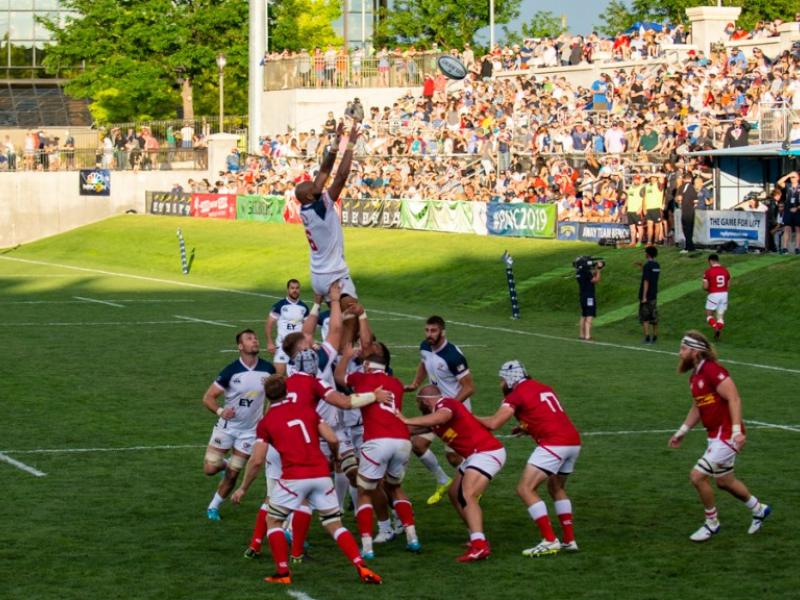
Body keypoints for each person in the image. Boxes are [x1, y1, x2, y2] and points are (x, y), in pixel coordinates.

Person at [231, 375, 382, 585]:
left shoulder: (266, 421)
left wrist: (243, 488)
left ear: (268, 396)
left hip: (294, 478)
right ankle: (361, 566)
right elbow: (332, 438)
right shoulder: (308, 411)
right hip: (320, 475)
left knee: (273, 520)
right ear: (286, 390)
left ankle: (283, 572)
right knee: (334, 524)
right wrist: (335, 455)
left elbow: (256, 460)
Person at [668, 331, 771, 543]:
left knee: (697, 477)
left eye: (684, 349)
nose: (680, 353)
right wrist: (682, 432)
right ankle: (759, 509)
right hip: (715, 435)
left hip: (727, 435)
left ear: (696, 352)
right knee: (725, 481)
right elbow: (699, 406)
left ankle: (711, 523)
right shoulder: (695, 376)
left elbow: (734, 397)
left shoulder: (713, 370)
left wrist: (736, 431)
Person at [476, 361, 581, 557]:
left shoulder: (516, 394)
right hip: (573, 442)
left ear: (510, 378)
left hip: (554, 443)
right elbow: (547, 413)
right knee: (556, 488)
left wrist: (465, 415)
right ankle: (569, 540)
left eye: (502, 380)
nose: (501, 384)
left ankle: (550, 540)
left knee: (525, 489)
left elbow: (493, 423)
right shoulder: (543, 387)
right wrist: (527, 426)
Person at [397, 385, 506, 562]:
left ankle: (480, 546)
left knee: (468, 494)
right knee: (454, 493)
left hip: (486, 452)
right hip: (475, 456)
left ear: (425, 400)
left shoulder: (446, 404)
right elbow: (412, 430)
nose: (418, 406)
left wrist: (407, 419)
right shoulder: (435, 418)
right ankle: (475, 536)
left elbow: (442, 416)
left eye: (418, 402)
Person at [335, 346, 421, 559]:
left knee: (365, 491)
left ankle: (367, 546)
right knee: (395, 487)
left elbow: (338, 377)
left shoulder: (361, 378)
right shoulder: (397, 383)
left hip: (377, 441)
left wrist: (346, 356)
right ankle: (413, 537)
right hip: (402, 440)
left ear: (367, 365)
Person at [294, 120, 361, 348]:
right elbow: (340, 177)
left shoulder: (307, 206)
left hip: (318, 275)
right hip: (334, 274)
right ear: (310, 195)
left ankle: (342, 348)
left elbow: (323, 173)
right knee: (354, 311)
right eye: (312, 187)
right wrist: (350, 145)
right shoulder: (320, 206)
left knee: (346, 314)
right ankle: (343, 352)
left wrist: (335, 144)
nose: (316, 185)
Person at [201, 329, 275, 521]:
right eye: (250, 339)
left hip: (250, 432)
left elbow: (276, 393)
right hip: (226, 427)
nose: (255, 341)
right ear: (240, 346)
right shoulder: (230, 371)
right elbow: (208, 397)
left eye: (256, 338)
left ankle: (213, 506)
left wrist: (268, 413)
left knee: (234, 474)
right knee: (210, 469)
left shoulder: (268, 369)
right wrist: (220, 411)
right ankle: (223, 464)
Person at [403, 316, 475, 504]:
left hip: (455, 413)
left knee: (453, 456)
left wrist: (451, 407)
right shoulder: (425, 347)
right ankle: (443, 480)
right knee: (417, 444)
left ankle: (472, 487)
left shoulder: (453, 356)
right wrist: (416, 383)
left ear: (442, 332)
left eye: (433, 331)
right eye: (427, 330)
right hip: (435, 409)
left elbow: (469, 387)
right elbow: (424, 363)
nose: (429, 334)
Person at [265, 279, 309, 375]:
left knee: (298, 378)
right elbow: (269, 324)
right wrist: (270, 342)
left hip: (298, 348)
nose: (295, 290)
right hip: (282, 346)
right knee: (278, 376)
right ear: (287, 290)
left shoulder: (304, 307)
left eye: (297, 288)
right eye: (292, 288)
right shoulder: (279, 306)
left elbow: (308, 328)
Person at [703, 254, 731, 341]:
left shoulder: (708, 271)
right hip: (724, 294)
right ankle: (718, 329)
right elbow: (728, 284)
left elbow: (705, 286)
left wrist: (708, 288)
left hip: (714, 294)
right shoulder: (725, 270)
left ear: (711, 261)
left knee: (709, 314)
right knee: (720, 316)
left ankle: (715, 327)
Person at [575, 258, 602, 341]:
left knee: (583, 315)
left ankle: (582, 335)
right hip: (589, 296)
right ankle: (587, 336)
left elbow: (589, 278)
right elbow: (595, 280)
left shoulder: (579, 272)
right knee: (589, 315)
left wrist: (594, 270)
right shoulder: (586, 272)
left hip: (582, 295)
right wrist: (599, 270)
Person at [638, 246, 660, 344]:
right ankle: (655, 336)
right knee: (654, 316)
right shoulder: (657, 265)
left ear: (648, 254)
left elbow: (646, 280)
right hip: (654, 294)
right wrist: (642, 266)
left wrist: (644, 296)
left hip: (647, 295)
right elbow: (650, 275)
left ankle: (647, 336)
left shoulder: (647, 266)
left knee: (645, 317)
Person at [776, 171, 800, 254]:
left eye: (794, 177)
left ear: (798, 178)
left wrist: (797, 208)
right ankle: (785, 248)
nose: (792, 179)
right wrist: (788, 175)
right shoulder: (788, 185)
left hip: (798, 210)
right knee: (787, 228)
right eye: (791, 177)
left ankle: (797, 248)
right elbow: (779, 182)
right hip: (788, 210)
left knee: (798, 229)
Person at [676, 175, 699, 253]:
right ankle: (691, 246)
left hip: (685, 210)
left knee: (686, 229)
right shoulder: (693, 188)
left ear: (683, 179)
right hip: (691, 210)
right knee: (690, 229)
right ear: (690, 179)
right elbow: (696, 201)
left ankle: (687, 247)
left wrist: (680, 203)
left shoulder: (682, 187)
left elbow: (679, 199)